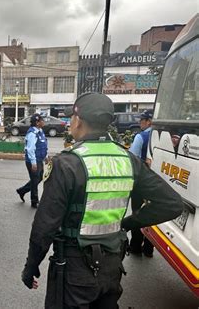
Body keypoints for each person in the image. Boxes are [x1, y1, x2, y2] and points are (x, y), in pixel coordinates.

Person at [21, 92, 183, 308]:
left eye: (71, 118)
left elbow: (45, 225)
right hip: (112, 267)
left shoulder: (67, 163)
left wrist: (31, 266)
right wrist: (126, 224)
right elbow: (171, 204)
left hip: (74, 270)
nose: (70, 122)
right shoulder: (128, 159)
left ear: (78, 120)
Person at [128, 110, 155, 257]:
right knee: (153, 215)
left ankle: (136, 246)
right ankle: (149, 249)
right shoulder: (162, 136)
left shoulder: (141, 136)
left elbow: (132, 159)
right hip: (157, 184)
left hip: (141, 184)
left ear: (148, 121)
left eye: (142, 120)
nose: (140, 123)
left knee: (137, 214)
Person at [16, 113, 48, 208]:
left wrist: (45, 156)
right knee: (34, 181)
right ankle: (34, 201)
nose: (44, 122)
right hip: (32, 161)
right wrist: (33, 163)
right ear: (37, 122)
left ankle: (22, 190)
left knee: (39, 178)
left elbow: (43, 145)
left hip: (39, 159)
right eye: (42, 120)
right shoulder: (32, 133)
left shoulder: (40, 131)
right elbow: (30, 149)